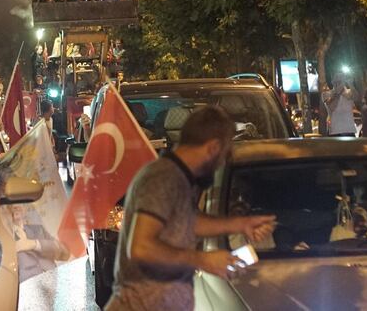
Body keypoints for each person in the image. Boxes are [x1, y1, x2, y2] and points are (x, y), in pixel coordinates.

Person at [105, 106, 276, 311]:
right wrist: (203, 260)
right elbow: (141, 247)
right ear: (213, 148)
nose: (223, 161)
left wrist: (241, 224)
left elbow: (187, 222)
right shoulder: (163, 178)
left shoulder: (181, 179)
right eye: (225, 154)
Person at [10, 205, 70, 282]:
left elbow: (64, 253)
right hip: (29, 289)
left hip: (56, 284)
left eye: (18, 201)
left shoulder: (39, 229)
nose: (15, 206)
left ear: (24, 209)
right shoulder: (3, 241)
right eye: (10, 203)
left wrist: (35, 244)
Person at [324, 72, 358, 137]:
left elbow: (356, 98)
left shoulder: (349, 92)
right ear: (332, 81)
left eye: (340, 80)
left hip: (349, 131)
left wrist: (351, 84)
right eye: (336, 79)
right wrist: (338, 92)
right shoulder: (326, 94)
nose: (338, 82)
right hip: (335, 132)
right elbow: (332, 107)